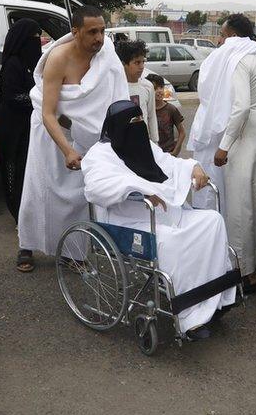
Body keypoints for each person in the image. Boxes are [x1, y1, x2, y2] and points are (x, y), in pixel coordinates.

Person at [81, 101, 237, 339]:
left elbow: (169, 163)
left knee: (212, 221)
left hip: (164, 213)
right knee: (174, 241)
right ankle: (188, 315)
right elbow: (97, 187)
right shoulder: (99, 155)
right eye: (132, 122)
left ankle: (216, 299)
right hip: (128, 220)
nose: (138, 126)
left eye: (140, 120)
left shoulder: (146, 145)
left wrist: (194, 166)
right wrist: (139, 189)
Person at [17, 5, 129, 270]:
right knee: (41, 191)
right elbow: (48, 113)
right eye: (92, 32)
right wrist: (67, 149)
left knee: (79, 196)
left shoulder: (107, 55)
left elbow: (115, 99)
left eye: (102, 31)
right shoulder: (58, 58)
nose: (99, 38)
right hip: (51, 132)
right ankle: (27, 245)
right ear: (75, 32)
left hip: (87, 136)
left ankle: (73, 254)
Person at [189, 13, 256, 290]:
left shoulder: (238, 59)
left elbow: (240, 107)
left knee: (240, 207)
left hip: (244, 136)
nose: (219, 41)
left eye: (222, 35)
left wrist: (223, 146)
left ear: (233, 36)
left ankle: (243, 270)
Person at [0, 19, 41, 237]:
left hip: (25, 128)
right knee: (14, 172)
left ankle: (27, 213)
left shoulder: (28, 65)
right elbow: (14, 97)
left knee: (27, 172)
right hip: (12, 131)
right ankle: (18, 215)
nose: (37, 43)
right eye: (34, 38)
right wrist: (40, 100)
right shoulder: (13, 65)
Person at [116, 40, 159, 142]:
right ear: (124, 64)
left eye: (143, 61)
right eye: (137, 62)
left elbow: (151, 116)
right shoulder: (116, 87)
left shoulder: (148, 86)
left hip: (143, 142)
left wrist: (155, 142)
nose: (141, 66)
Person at [150, 74, 185, 155]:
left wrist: (176, 151)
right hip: (152, 154)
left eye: (161, 87)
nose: (159, 91)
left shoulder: (171, 109)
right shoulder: (146, 110)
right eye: (155, 88)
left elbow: (182, 132)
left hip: (168, 153)